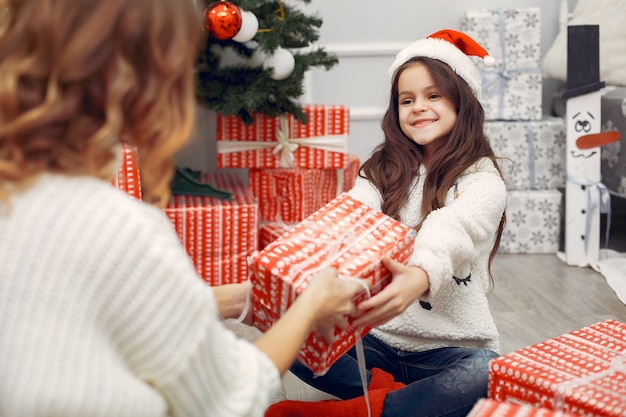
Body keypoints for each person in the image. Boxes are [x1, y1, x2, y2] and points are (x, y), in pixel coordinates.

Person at [0, 1, 364, 416]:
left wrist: (241, 299)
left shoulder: (22, 193)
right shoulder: (121, 226)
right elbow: (228, 395)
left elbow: (94, 303)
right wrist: (309, 307)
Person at [271, 29, 508, 417]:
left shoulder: (483, 181)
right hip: (374, 344)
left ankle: (365, 409)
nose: (418, 107)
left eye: (433, 95)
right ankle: (399, 403)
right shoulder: (383, 169)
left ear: (463, 102)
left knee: (487, 372)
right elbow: (352, 213)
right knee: (286, 324)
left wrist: (419, 274)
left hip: (449, 351)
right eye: (407, 99)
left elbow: (451, 227)